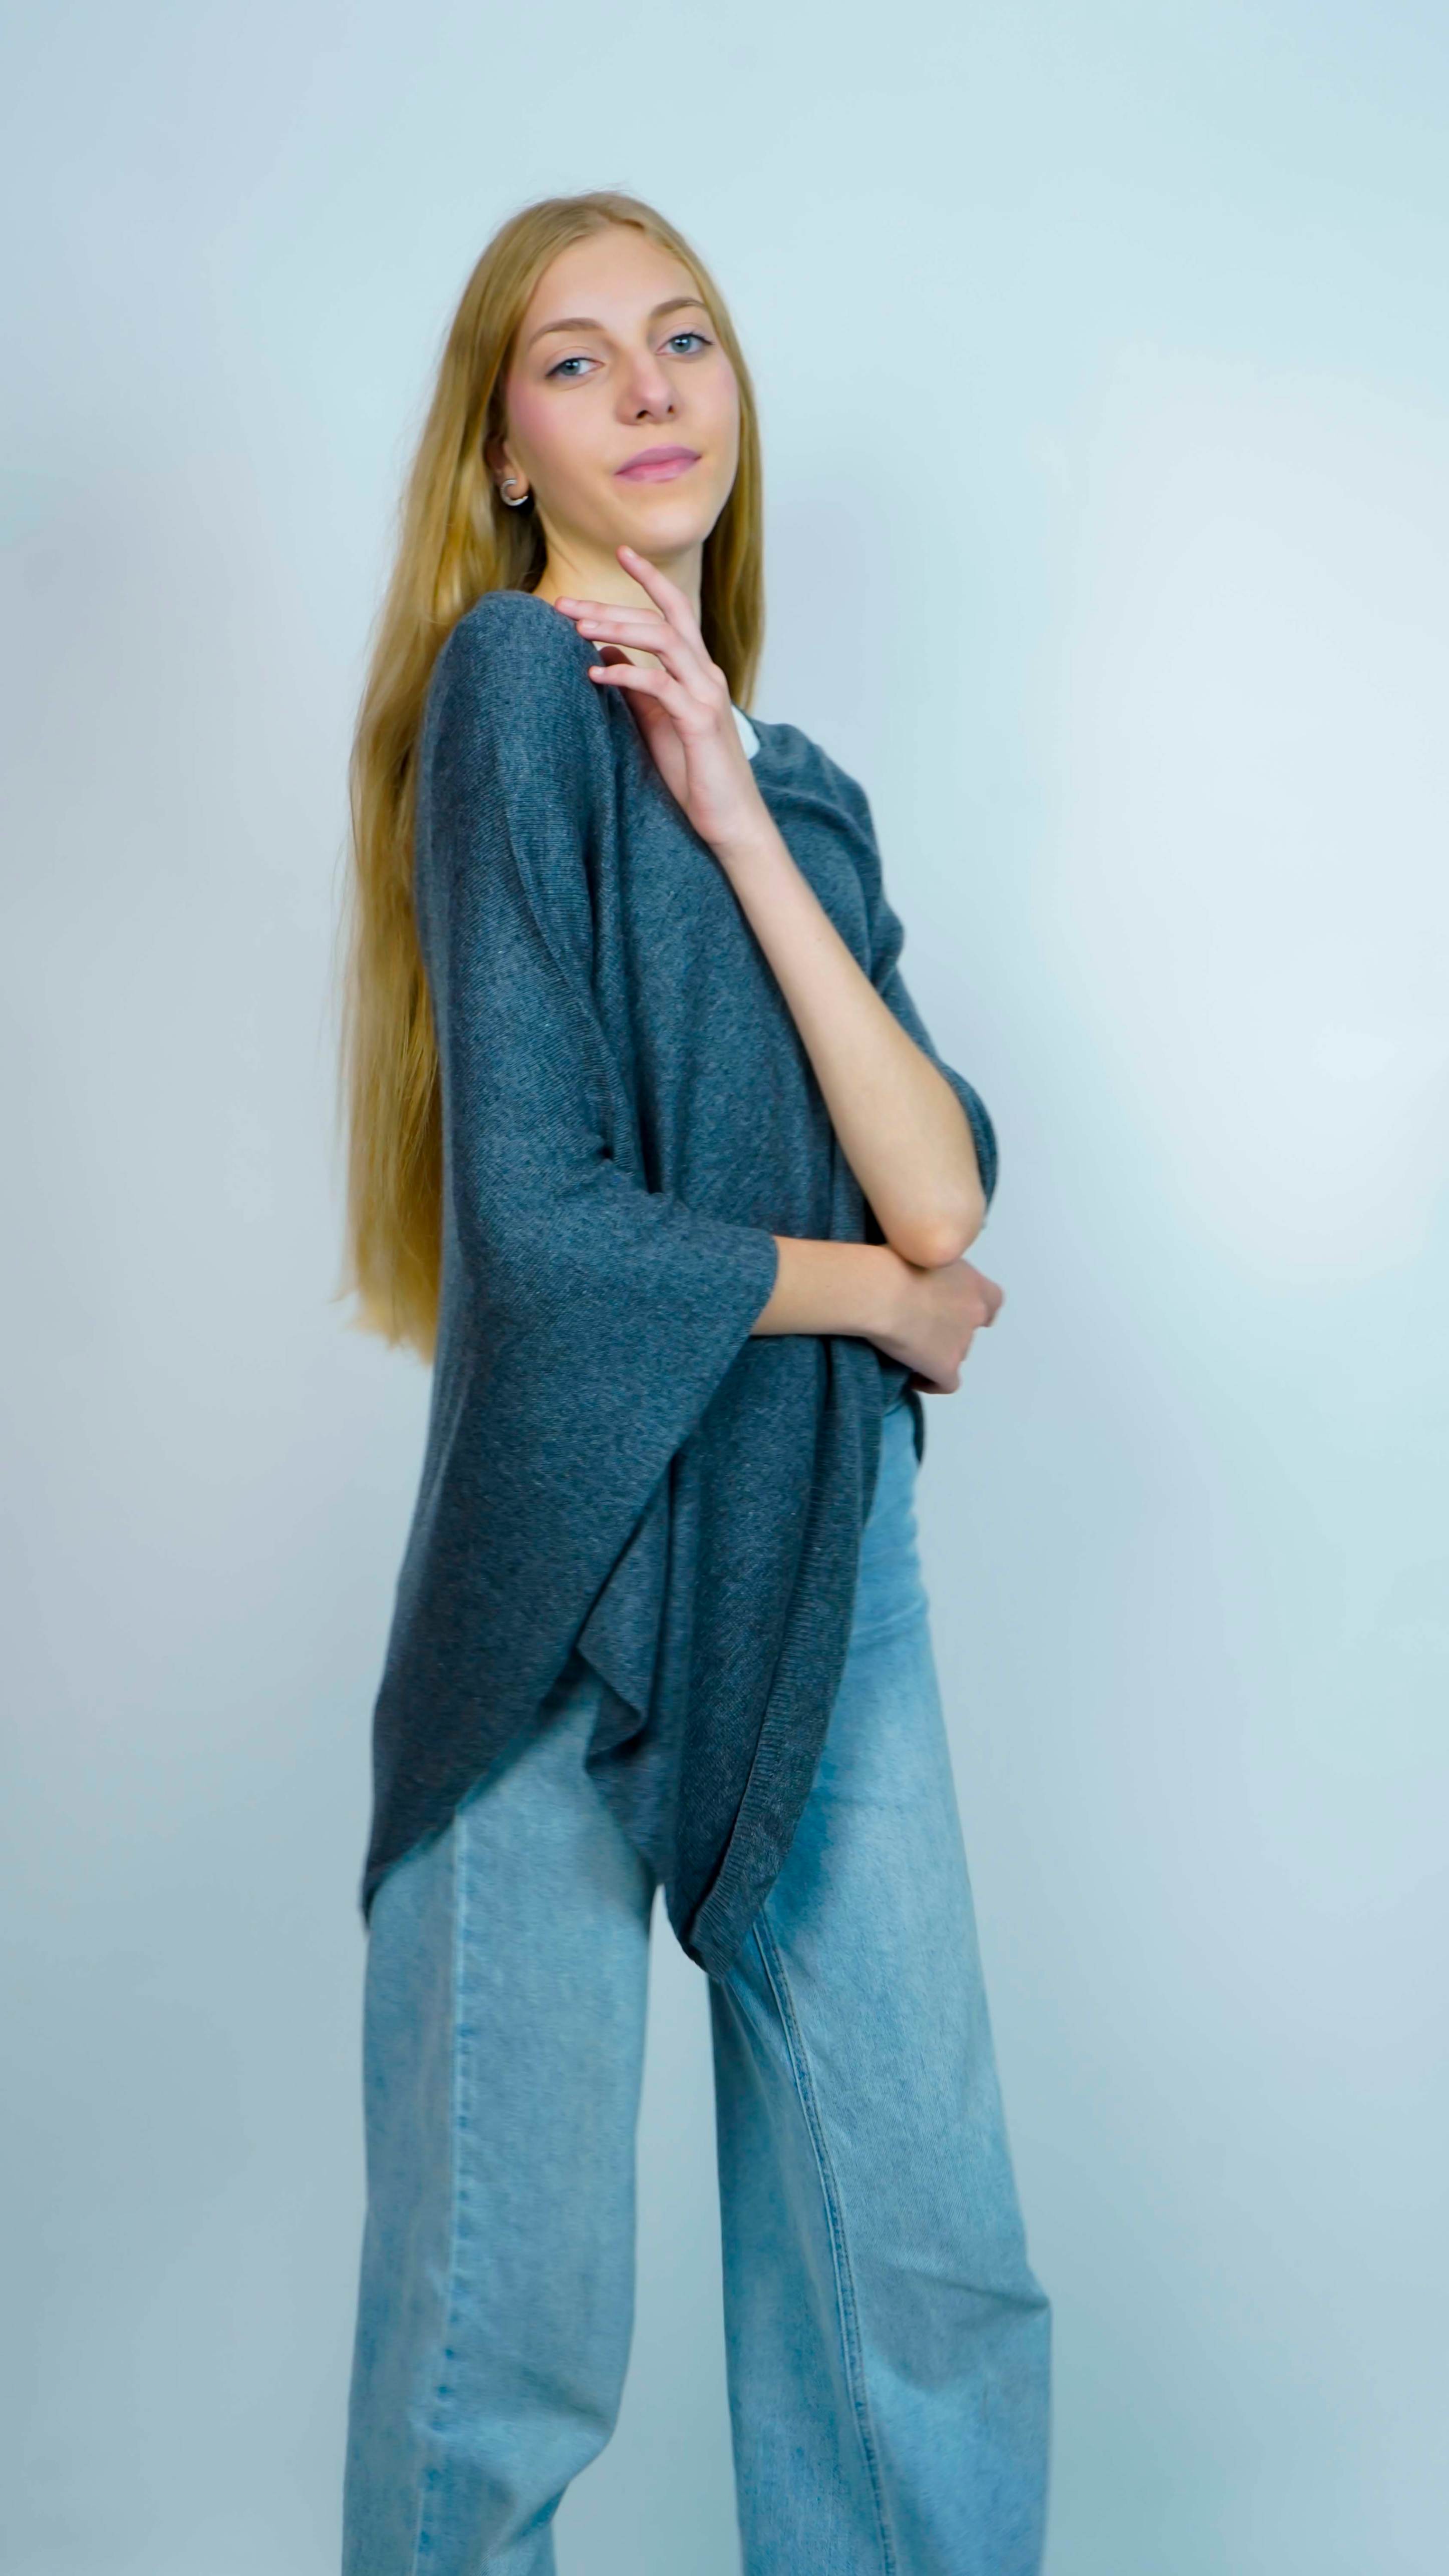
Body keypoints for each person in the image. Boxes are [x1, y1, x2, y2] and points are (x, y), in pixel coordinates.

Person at [334, 187, 1050, 2576]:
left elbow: (939, 1189)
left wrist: (739, 812)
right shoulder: (510, 692)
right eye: (578, 359)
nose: (649, 390)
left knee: (924, 2279)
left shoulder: (808, 790)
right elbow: (549, 1248)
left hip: (817, 1558)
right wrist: (870, 1303)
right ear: (505, 447)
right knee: (504, 2350)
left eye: (686, 339)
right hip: (560, 1567)